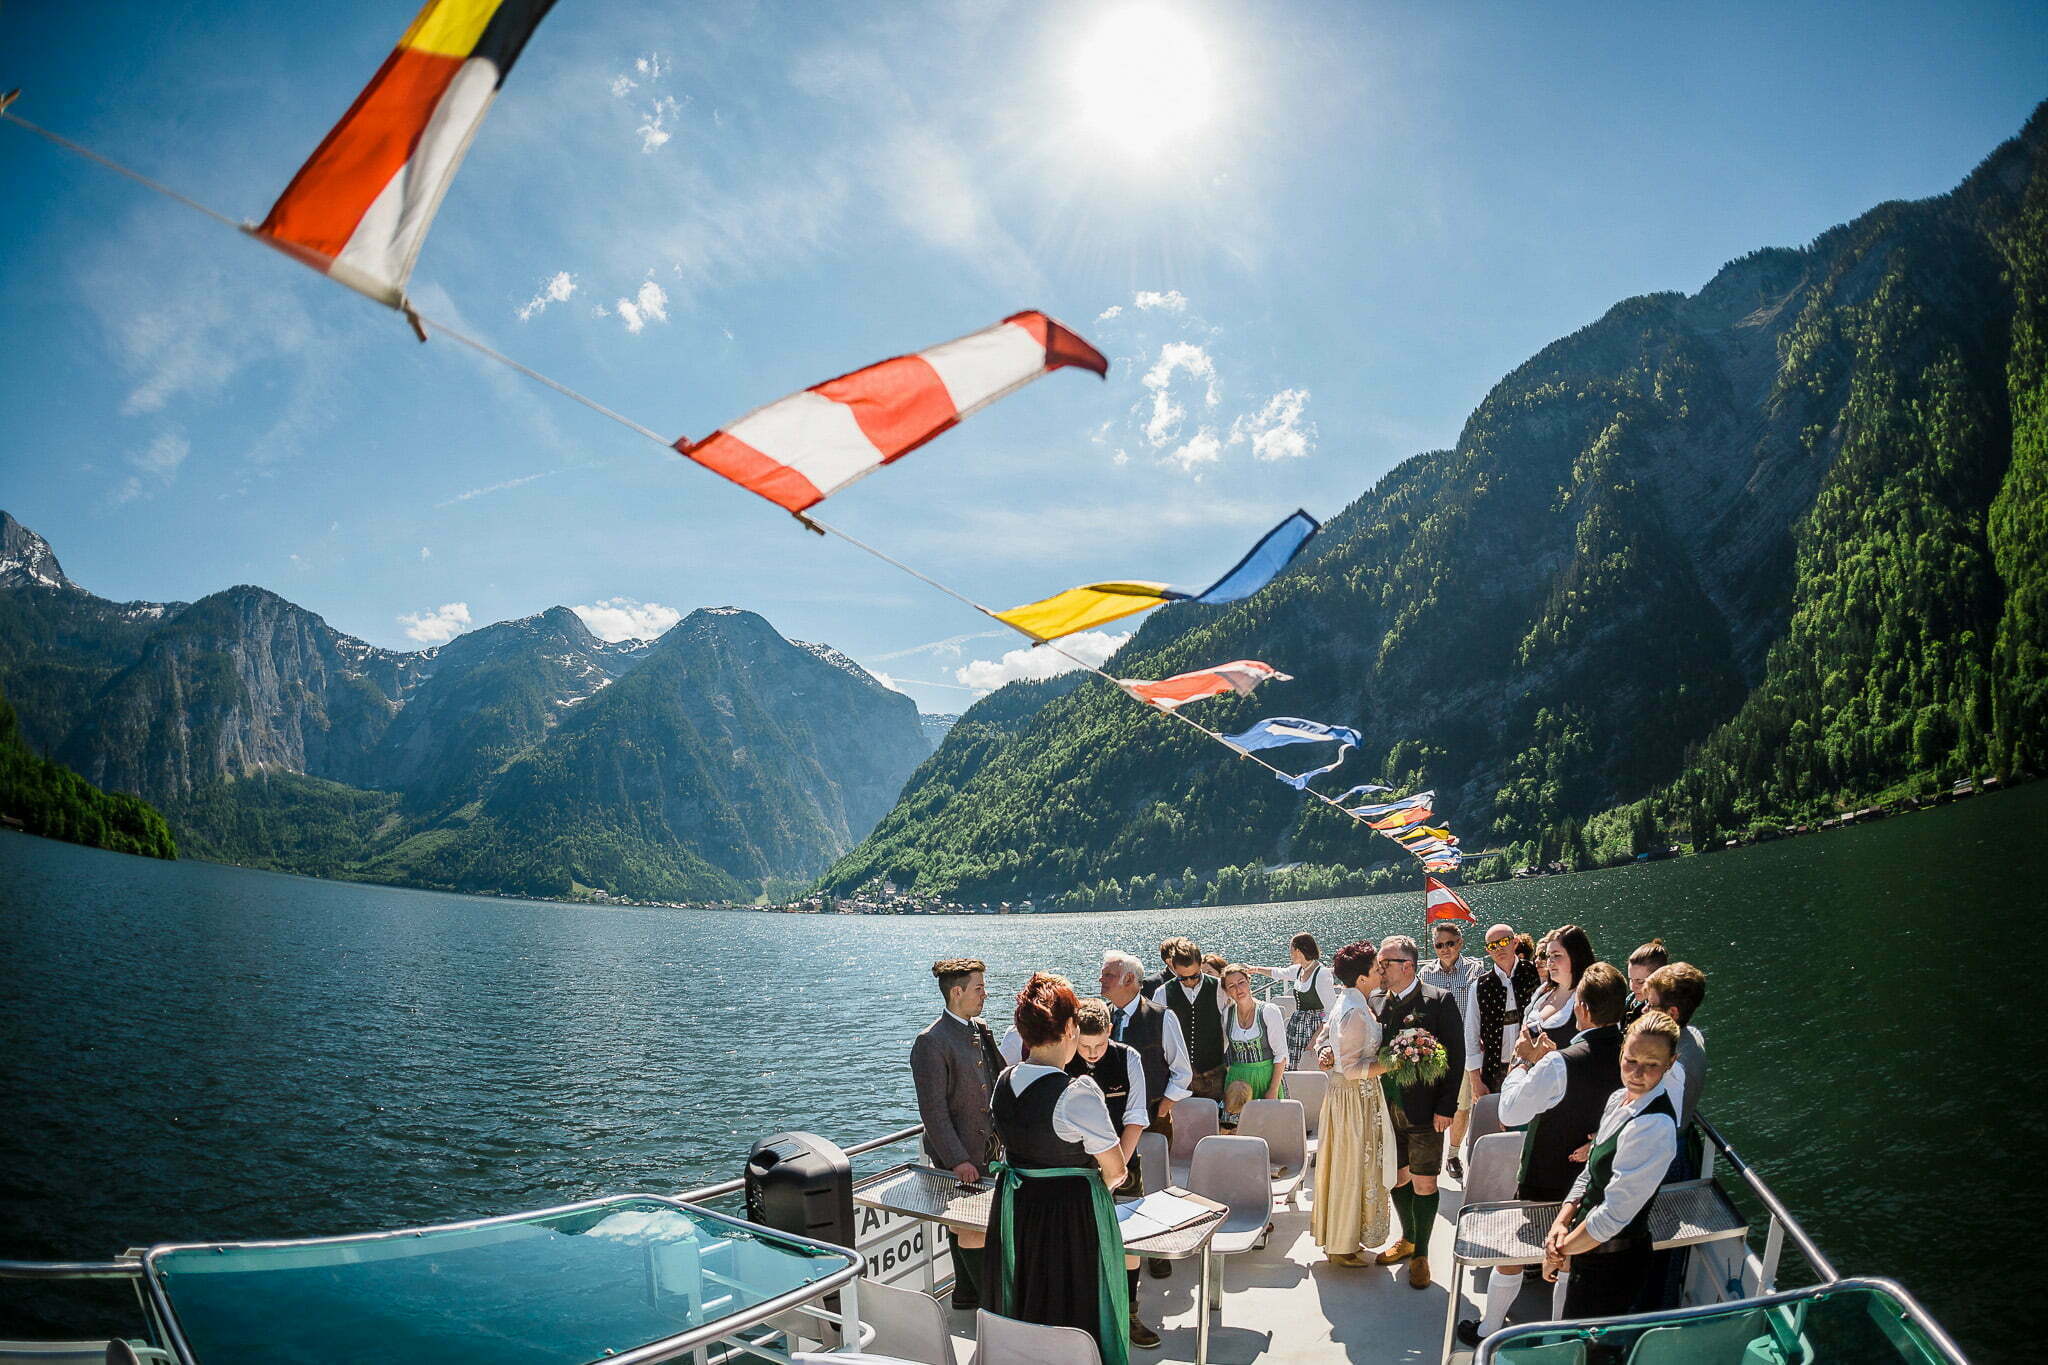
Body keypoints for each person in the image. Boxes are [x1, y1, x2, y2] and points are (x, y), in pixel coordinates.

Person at [1458, 962, 1629, 1347]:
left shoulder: (1559, 1062)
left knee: (1513, 1251)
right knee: (1568, 1254)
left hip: (1547, 1172)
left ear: (1582, 1009)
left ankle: (1489, 1328)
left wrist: (1523, 1062)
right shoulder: (1631, 1057)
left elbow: (1509, 1111)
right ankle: (1560, 1337)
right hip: (1598, 1180)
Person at [988, 973, 1133, 1365]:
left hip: (1014, 1209)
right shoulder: (1076, 1092)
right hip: (1068, 1219)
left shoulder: (1003, 1081)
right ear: (1070, 1028)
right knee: (1072, 1303)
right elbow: (1116, 1170)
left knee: (1026, 1296)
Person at [1541, 1011, 1682, 1322]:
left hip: (1613, 1263)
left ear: (1671, 1063)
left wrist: (1558, 1252)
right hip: (1585, 1246)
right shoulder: (1619, 1099)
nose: (1637, 1073)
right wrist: (1561, 1220)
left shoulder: (1654, 1126)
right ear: (1621, 1051)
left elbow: (1613, 1216)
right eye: (1631, 1060)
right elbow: (1591, 1171)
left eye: (1652, 1065)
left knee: (1593, 1348)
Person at [1368, 933, 1466, 1289]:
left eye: (1385, 963)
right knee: (1396, 1177)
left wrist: (1447, 1107)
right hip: (1386, 1108)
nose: (1379, 969)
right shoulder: (1376, 1001)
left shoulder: (1439, 1001)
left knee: (1425, 1181)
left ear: (1407, 966)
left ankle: (1421, 1254)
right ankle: (1407, 1238)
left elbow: (1456, 1058)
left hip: (1427, 1110)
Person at [909, 958, 1005, 1309]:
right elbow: (932, 1112)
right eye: (979, 988)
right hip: (959, 1155)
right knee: (966, 1226)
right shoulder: (931, 1042)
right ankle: (983, 1299)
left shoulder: (979, 1029)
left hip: (988, 1150)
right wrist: (958, 1159)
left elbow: (998, 1079)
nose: (985, 994)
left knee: (970, 1224)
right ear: (957, 992)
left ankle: (965, 1293)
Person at [1070, 997, 1160, 1350]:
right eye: (1084, 1046)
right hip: (1076, 1165)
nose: (1091, 1053)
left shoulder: (1128, 1058)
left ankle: (1129, 1313)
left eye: (1099, 1044)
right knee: (1080, 1240)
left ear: (1110, 1030)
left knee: (1128, 1242)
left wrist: (1117, 1167)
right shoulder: (1064, 1060)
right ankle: (1082, 1316)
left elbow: (1136, 1116)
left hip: (1124, 1162)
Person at [1097, 948, 1192, 1280]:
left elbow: (1182, 1071)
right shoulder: (1100, 1018)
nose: (1101, 980)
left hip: (1153, 1117)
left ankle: (1159, 1250)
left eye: (1108, 975)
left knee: (1154, 1185)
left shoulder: (1161, 1017)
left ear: (1129, 980)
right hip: (1110, 1123)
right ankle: (1120, 1249)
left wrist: (1166, 1104)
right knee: (1119, 1186)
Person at [1310, 940, 1397, 1267]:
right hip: (1352, 1098)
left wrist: (1323, 1049)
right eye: (1376, 968)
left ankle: (1342, 1238)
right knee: (1349, 1167)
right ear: (1362, 977)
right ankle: (1341, 1245)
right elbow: (1351, 1069)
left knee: (1350, 1165)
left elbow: (1325, 1035)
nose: (1380, 971)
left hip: (1352, 1096)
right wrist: (1394, 1063)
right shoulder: (1354, 1010)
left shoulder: (1349, 1000)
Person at [1421, 921, 1485, 1177]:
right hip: (1435, 1050)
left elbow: (1480, 1009)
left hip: (1465, 1048)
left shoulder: (1474, 970)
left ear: (1460, 943)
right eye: (1439, 945)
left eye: (1449, 943)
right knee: (1431, 1103)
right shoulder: (1426, 975)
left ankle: (1453, 1154)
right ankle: (1433, 1152)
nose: (1444, 949)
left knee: (1461, 1105)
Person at [1468, 922, 1543, 1098]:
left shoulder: (1534, 972)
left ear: (1515, 942)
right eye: (1492, 946)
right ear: (1487, 950)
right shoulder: (1479, 986)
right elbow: (1471, 1034)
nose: (1498, 949)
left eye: (1503, 942)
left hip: (1533, 1063)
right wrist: (1475, 1081)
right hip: (1494, 1068)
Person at [1152, 938, 1229, 1102]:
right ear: (1173, 967)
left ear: (1201, 964)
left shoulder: (1220, 988)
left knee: (1215, 1124)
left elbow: (1231, 1027)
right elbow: (1158, 1038)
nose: (1189, 982)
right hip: (1177, 1080)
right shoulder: (1162, 993)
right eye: (1182, 978)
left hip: (1214, 1075)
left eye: (1194, 976)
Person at [1248, 932, 1337, 1070]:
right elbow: (1278, 972)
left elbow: (1331, 1012)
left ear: (1299, 951)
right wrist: (1256, 969)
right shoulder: (1298, 970)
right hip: (1297, 1027)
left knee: (1308, 1064)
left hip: (1314, 1027)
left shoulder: (1321, 974)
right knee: (1291, 1064)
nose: (1290, 954)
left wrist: (1315, 1040)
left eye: (1291, 951)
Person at [1641, 961, 1707, 1129]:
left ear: (1672, 1013)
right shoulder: (1693, 1034)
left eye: (1650, 1004)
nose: (1644, 1010)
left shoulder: (1673, 1069)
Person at [1219, 964, 1288, 1121]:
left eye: (1241, 982)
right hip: (1237, 1082)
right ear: (1227, 991)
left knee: (1266, 1128)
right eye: (1232, 986)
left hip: (1266, 1078)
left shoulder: (1269, 1011)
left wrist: (1273, 1089)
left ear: (1249, 982)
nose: (1238, 989)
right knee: (1236, 1130)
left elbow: (1281, 1055)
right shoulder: (1227, 1014)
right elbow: (1224, 1051)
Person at [1527, 925, 1596, 1049]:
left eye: (1557, 955)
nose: (1550, 961)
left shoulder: (1591, 998)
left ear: (1576, 956)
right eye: (1548, 956)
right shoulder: (1542, 991)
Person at [1624, 939, 1668, 1027]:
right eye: (1631, 980)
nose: (1632, 987)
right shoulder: (1631, 1000)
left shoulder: (1665, 1014)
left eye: (1640, 981)